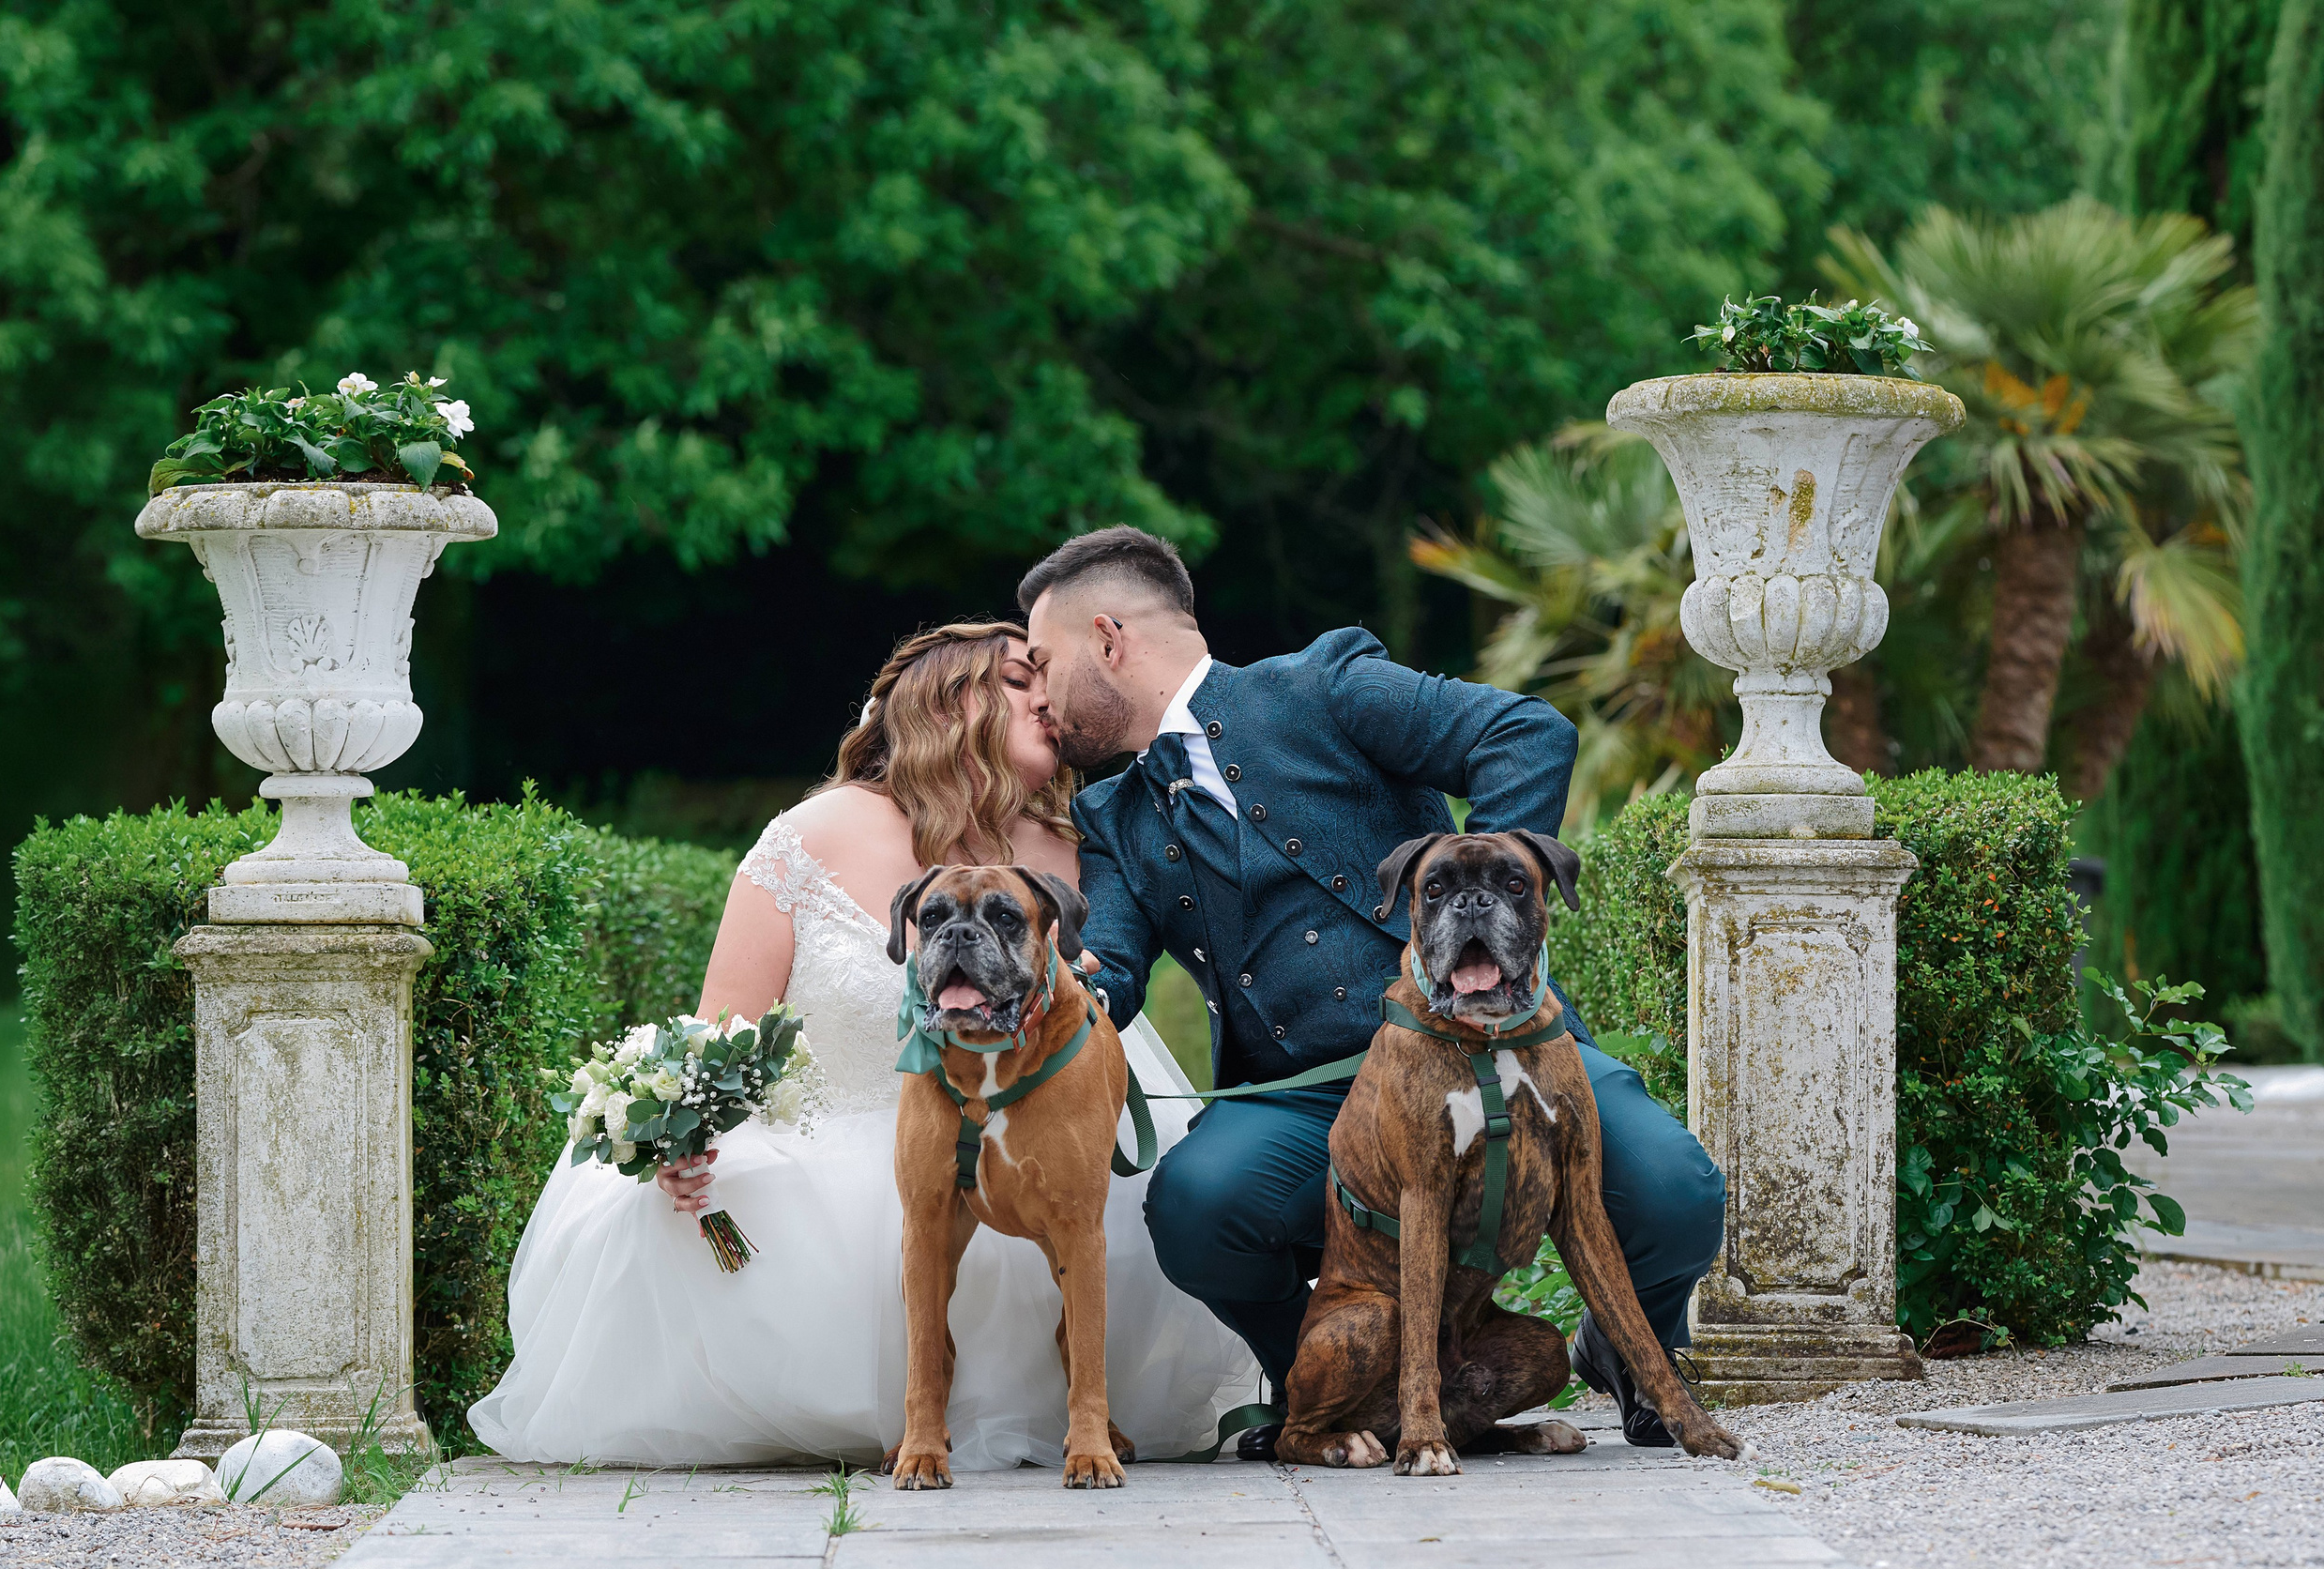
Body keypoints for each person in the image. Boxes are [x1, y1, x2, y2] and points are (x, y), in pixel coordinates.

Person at [468, 621, 1257, 1469]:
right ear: (956, 702)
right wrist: (682, 1128)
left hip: (1040, 1146)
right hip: (838, 1154)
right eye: (1023, 683)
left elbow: (1110, 999)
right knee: (720, 1214)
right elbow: (722, 1031)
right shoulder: (814, 832)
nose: (1051, 701)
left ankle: (1077, 1402)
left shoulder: (1074, 843)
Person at [1021, 527, 1725, 1456]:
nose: (1037, 691)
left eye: (1041, 661)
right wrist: (1063, 989)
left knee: (1675, 1190)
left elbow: (1525, 731)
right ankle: (1317, 1386)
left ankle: (1632, 1347)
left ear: (1108, 638)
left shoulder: (1326, 682)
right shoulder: (1109, 817)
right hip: (1313, 1104)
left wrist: (1484, 922)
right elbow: (1107, 967)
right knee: (1196, 1205)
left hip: (1495, 1046)